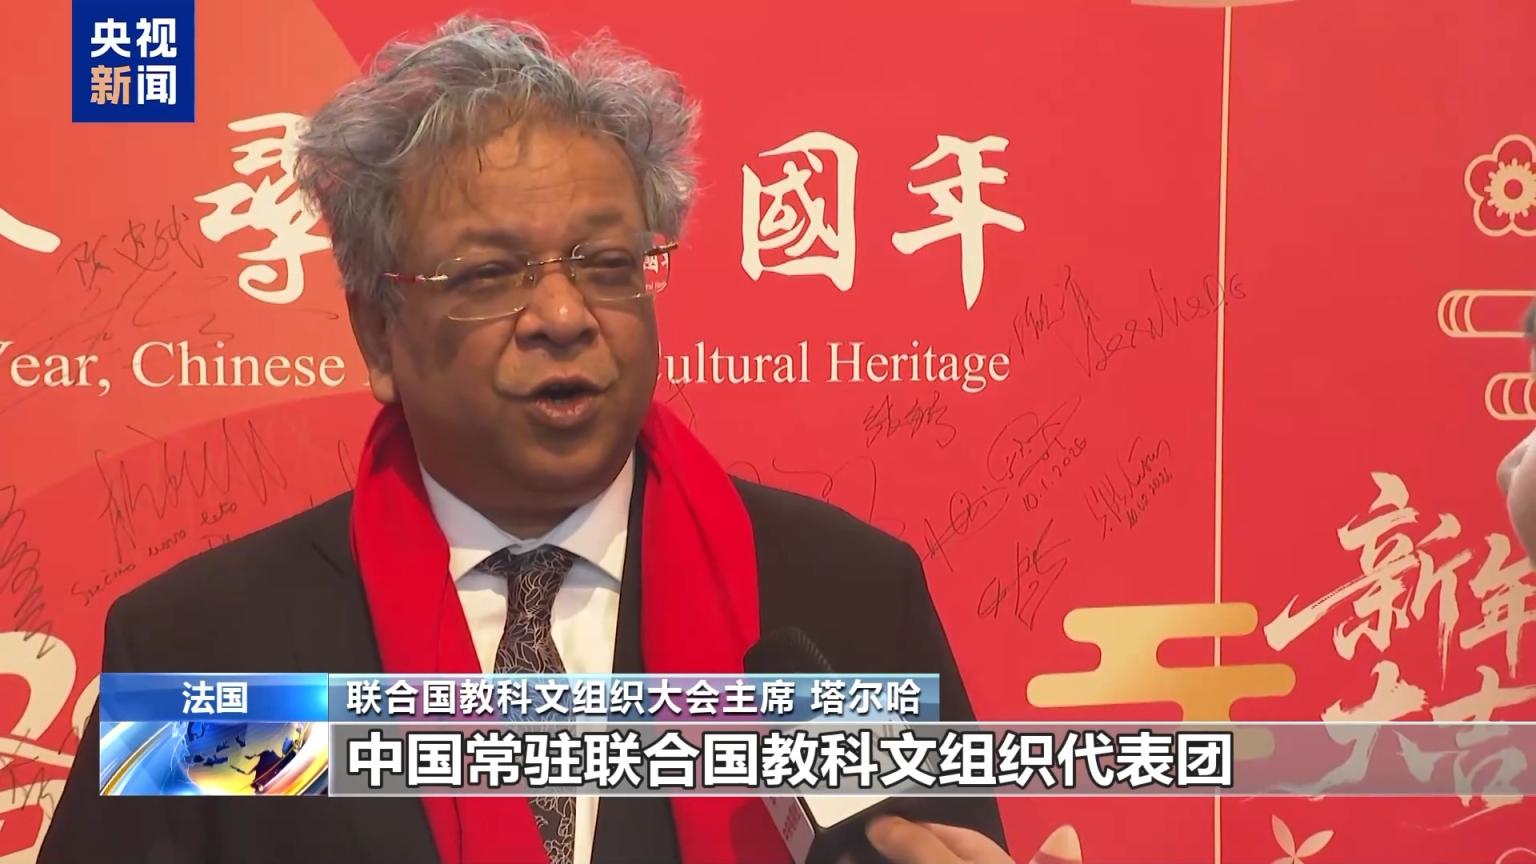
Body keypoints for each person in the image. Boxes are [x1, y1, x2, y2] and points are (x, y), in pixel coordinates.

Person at [41, 15, 1010, 864]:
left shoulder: (840, 601)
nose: (562, 315)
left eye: (606, 262)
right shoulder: (212, 649)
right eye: (489, 273)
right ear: (378, 334)